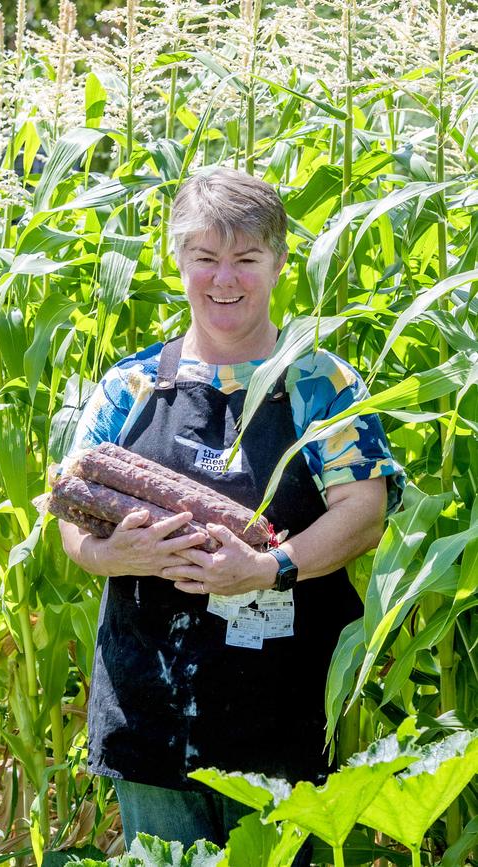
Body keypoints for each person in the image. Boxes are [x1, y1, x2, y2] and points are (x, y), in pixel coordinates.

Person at [59, 168, 404, 863]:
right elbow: (71, 511)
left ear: (278, 263)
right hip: (149, 713)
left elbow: (364, 514)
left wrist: (268, 566)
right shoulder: (129, 386)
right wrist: (113, 554)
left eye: (246, 259)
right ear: (178, 258)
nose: (225, 279)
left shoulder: (319, 384)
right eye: (205, 257)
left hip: (284, 716)